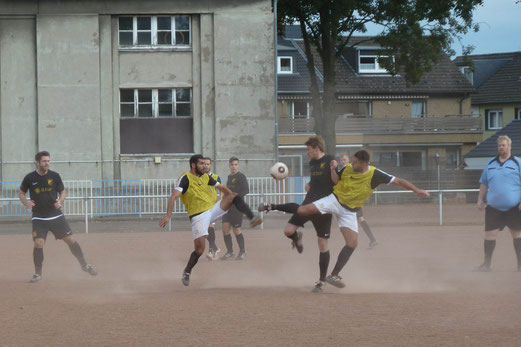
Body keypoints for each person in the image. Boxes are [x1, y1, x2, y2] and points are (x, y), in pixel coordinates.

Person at [259, 150, 429, 291]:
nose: (351, 164)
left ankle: (333, 275)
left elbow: (398, 181)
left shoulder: (375, 174)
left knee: (352, 243)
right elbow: (336, 180)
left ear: (363, 163)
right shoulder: (347, 168)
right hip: (334, 200)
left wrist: (416, 190)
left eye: (355, 162)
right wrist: (334, 170)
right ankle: (272, 206)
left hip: (350, 211)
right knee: (303, 209)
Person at [159, 154, 261, 286]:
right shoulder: (185, 178)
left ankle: (252, 218)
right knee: (200, 250)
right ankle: (187, 271)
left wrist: (231, 196)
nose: (204, 166)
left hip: (211, 210)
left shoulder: (206, 176)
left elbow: (222, 188)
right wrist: (168, 215)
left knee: (233, 196)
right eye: (201, 163)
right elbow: (173, 196)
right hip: (198, 216)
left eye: (205, 163)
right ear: (193, 165)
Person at [266, 136, 335, 292]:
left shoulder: (330, 160)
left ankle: (321, 281)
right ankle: (297, 238)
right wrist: (310, 185)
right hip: (308, 203)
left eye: (308, 149)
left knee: (322, 244)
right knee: (288, 231)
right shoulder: (312, 163)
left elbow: (335, 180)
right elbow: (315, 182)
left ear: (317, 148)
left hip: (324, 207)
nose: (307, 153)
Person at [18, 151, 97, 283]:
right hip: (39, 217)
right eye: (44, 161)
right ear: (37, 162)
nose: (47, 163)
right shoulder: (29, 178)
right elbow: (21, 192)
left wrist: (60, 201)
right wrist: (25, 202)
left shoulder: (55, 176)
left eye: (48, 161)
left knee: (70, 240)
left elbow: (63, 192)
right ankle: (38, 273)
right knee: (38, 243)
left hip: (56, 216)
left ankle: (84, 265)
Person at [476, 135, 521, 272]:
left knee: (517, 234)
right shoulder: (491, 163)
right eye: (499, 145)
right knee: (489, 235)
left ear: (510, 146)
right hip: (494, 208)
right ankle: (486, 265)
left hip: (513, 207)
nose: (501, 147)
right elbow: (484, 182)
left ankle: (520, 265)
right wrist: (480, 199)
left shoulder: (518, 162)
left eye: (504, 145)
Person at [339, 154, 378, 249]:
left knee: (356, 220)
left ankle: (358, 241)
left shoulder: (351, 170)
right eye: (341, 160)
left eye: (344, 159)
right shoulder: (343, 171)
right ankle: (372, 240)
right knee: (359, 219)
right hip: (348, 200)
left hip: (351, 201)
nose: (342, 161)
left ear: (348, 160)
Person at [221, 157, 250, 260]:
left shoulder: (241, 177)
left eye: (235, 164)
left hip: (237, 207)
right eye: (232, 164)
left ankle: (242, 251)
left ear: (238, 165)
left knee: (236, 230)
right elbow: (228, 190)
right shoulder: (229, 177)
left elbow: (246, 190)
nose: (234, 166)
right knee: (225, 229)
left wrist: (236, 196)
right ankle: (230, 251)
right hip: (228, 207)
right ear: (229, 165)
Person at [203, 157, 221, 260]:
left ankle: (210, 251)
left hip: (212, 206)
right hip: (202, 206)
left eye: (207, 164)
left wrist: (220, 196)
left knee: (210, 228)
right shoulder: (199, 177)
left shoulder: (215, 177)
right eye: (204, 164)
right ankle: (215, 248)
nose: (205, 166)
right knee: (204, 230)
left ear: (210, 165)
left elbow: (221, 188)